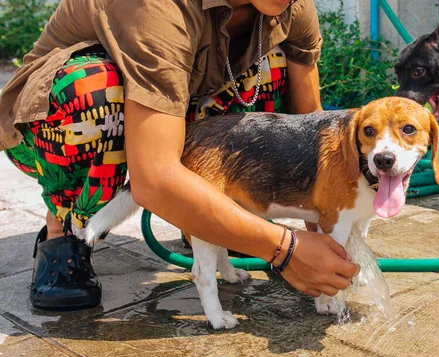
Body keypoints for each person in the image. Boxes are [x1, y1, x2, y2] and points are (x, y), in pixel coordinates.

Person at [0, 0, 359, 311]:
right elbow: (153, 181)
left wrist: (324, 231)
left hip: (180, 98)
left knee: (270, 63)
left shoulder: (289, 5)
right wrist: (282, 248)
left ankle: (211, 219)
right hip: (52, 124)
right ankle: (64, 231)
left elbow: (310, 129)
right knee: (93, 93)